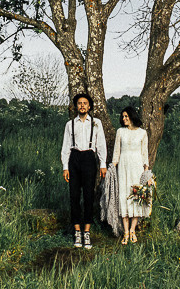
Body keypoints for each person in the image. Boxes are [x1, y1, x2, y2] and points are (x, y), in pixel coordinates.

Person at [61, 92, 107, 249]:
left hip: (89, 158)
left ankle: (86, 231)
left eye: (85, 103)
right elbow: (65, 147)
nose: (82, 106)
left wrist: (102, 164)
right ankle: (77, 231)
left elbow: (101, 144)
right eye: (79, 103)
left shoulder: (96, 123)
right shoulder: (70, 124)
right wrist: (65, 167)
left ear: (89, 106)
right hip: (74, 158)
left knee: (88, 196)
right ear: (76, 106)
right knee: (74, 196)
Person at [111, 105, 150, 244]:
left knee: (136, 196)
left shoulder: (142, 133)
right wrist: (112, 168)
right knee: (124, 196)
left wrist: (146, 173)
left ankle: (133, 230)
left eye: (126, 116)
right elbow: (116, 152)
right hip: (123, 167)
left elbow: (145, 153)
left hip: (137, 167)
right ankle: (126, 232)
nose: (124, 119)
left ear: (132, 116)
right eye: (123, 117)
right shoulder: (120, 132)